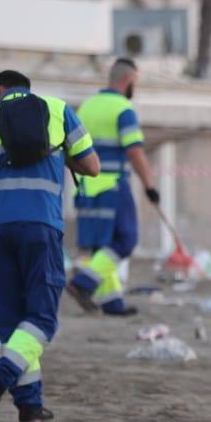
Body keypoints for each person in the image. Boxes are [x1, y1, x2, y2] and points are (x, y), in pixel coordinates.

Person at [0, 69, 98, 422]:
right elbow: (92, 167)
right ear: (29, 90)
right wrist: (60, 155)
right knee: (42, 319)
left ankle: (30, 406)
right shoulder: (58, 110)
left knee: (14, 322)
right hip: (41, 226)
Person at [67, 58, 158, 316]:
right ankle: (82, 283)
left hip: (86, 186)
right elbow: (135, 151)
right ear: (129, 80)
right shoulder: (123, 108)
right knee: (125, 239)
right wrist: (150, 186)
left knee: (100, 247)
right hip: (112, 185)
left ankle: (111, 302)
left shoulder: (86, 107)